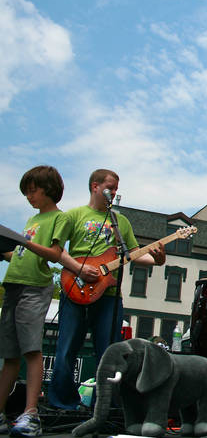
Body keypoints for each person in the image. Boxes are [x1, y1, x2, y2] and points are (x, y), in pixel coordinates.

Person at [47, 169, 166, 411]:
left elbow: (130, 254)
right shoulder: (73, 215)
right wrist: (78, 269)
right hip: (75, 289)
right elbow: (57, 250)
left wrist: (158, 260)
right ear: (95, 186)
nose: (114, 192)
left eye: (116, 188)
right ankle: (63, 404)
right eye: (110, 187)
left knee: (111, 353)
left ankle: (108, 407)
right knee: (66, 348)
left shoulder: (119, 221)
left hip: (109, 296)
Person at [0, 166, 69, 437]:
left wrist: (25, 244)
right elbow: (19, 253)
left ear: (49, 189)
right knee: (9, 355)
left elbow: (53, 254)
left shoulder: (59, 219)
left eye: (33, 191)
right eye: (26, 192)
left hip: (34, 288)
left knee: (31, 349)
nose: (29, 197)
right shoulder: (31, 220)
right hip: (14, 284)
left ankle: (31, 414)